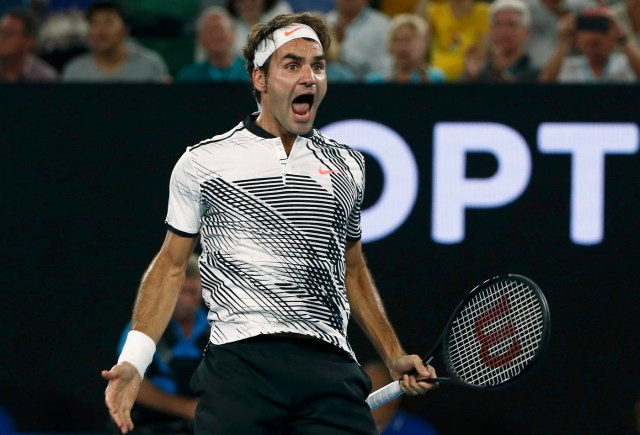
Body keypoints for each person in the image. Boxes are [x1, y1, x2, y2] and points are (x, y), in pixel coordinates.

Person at [102, 11, 437, 435]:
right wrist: (133, 360)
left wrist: (392, 353)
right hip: (240, 368)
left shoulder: (348, 165)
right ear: (259, 79)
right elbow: (170, 265)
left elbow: (352, 268)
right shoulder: (204, 162)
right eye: (292, 65)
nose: (309, 77)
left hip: (328, 365)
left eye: (317, 65)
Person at [111, 253, 209, 434]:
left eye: (192, 291)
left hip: (200, 422)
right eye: (181, 291)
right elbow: (130, 381)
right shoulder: (144, 328)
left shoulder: (215, 328)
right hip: (152, 422)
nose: (186, 300)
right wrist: (186, 408)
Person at [62, 0, 170, 82]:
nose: (100, 31)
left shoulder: (150, 65)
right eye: (94, 23)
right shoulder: (75, 71)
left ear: (125, 30)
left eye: (108, 22)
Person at [539, 6, 640, 82]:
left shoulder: (625, 64)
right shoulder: (569, 66)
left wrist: (622, 38)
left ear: (614, 38)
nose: (595, 37)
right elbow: (546, 82)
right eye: (588, 28)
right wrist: (564, 40)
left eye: (601, 29)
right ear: (578, 40)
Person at [464, 0, 540, 83]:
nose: (504, 31)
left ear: (526, 31)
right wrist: (471, 78)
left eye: (511, 24)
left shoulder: (536, 72)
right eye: (498, 24)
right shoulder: (480, 70)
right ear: (491, 31)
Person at [415, 0, 490, 82]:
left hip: (470, 75)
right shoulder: (436, 11)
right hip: (438, 76)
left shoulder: (483, 12)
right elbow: (419, 41)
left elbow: (485, 49)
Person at [366, 13, 445, 84]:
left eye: (408, 40)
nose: (402, 47)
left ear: (423, 42)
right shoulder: (375, 80)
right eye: (396, 40)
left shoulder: (435, 78)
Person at [363, 360, 439, 435]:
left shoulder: (419, 431)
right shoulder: (352, 424)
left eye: (373, 389)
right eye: (360, 389)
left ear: (393, 396)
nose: (364, 397)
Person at [176, 6, 249, 82]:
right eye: (209, 31)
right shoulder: (189, 77)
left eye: (220, 29)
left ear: (233, 34)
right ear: (201, 39)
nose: (215, 36)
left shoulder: (254, 74)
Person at [325, 0, 392, 80]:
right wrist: (336, 44)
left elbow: (387, 65)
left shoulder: (382, 25)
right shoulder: (324, 22)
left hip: (370, 87)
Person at [0, 8, 59, 82]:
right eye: (1, 31)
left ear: (29, 41)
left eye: (10, 33)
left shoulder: (45, 77)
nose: (1, 38)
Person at [225, 0, 293, 56]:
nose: (248, 3)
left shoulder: (280, 12)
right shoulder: (225, 24)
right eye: (242, 1)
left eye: (253, 0)